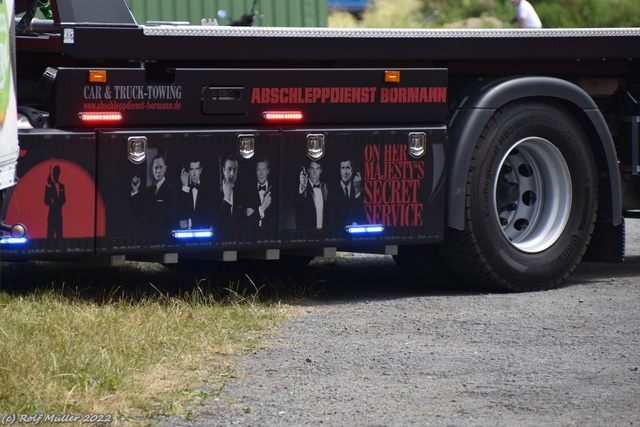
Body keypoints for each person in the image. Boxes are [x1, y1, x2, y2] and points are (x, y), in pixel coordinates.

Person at [131, 153, 177, 235]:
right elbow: (138, 212)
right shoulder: (148, 191)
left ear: (165, 168)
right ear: (152, 169)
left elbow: (172, 220)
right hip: (149, 238)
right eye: (155, 168)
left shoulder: (171, 190)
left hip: (164, 239)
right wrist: (135, 191)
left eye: (160, 167)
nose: (158, 171)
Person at [329, 157, 366, 227]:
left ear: (352, 170)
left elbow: (363, 216)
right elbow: (333, 219)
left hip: (357, 235)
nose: (345, 172)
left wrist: (357, 190)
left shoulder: (360, 191)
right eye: (343, 168)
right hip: (338, 235)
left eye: (348, 168)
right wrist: (351, 224)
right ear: (340, 170)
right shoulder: (332, 193)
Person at [178, 157, 212, 230]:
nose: (194, 174)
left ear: (201, 170)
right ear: (187, 171)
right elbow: (181, 218)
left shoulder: (208, 189)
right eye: (191, 169)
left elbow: (209, 218)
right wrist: (185, 187)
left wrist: (190, 222)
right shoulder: (181, 190)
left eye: (196, 169)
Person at [242, 155, 275, 229]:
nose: (261, 173)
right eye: (258, 170)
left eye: (264, 169)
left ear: (268, 171)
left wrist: (255, 214)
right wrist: (262, 207)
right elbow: (246, 222)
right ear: (255, 172)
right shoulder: (247, 192)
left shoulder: (276, 192)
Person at [295, 159, 328, 230]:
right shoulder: (303, 187)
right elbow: (299, 208)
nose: (315, 173)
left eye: (317, 169)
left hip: (323, 235)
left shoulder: (324, 187)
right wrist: (302, 187)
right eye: (312, 169)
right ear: (308, 170)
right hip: (308, 236)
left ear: (321, 171)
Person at [217, 154, 241, 228]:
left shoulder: (242, 193)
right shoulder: (215, 193)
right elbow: (218, 223)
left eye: (235, 169)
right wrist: (226, 198)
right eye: (229, 169)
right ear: (223, 170)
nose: (232, 174)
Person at [44, 164, 65, 239]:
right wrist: (49, 186)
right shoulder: (49, 186)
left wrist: (56, 202)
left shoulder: (62, 186)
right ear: (52, 173)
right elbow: (46, 201)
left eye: (57, 172)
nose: (56, 174)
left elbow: (63, 200)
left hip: (59, 215)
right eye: (55, 172)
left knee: (59, 236)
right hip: (52, 216)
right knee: (50, 236)